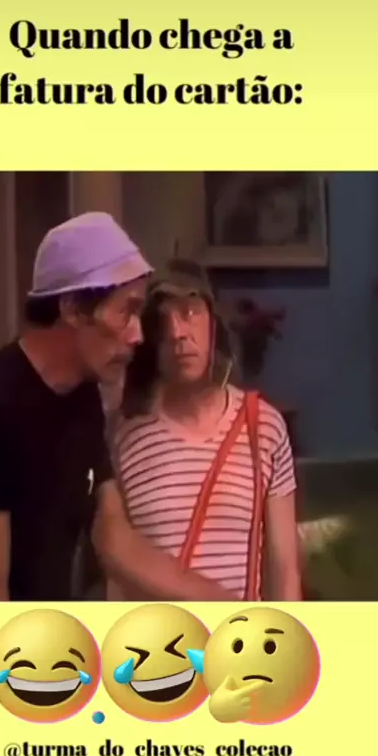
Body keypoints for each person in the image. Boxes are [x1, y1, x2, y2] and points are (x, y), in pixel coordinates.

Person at [0, 213, 234, 602]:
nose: (138, 335)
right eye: (126, 311)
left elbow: (114, 538)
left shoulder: (83, 397)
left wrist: (227, 604)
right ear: (72, 308)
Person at [110, 257, 301, 601]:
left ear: (213, 324)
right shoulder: (125, 437)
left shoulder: (264, 427)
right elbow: (119, 575)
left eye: (189, 312)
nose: (177, 333)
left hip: (241, 634)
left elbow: (285, 571)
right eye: (162, 322)